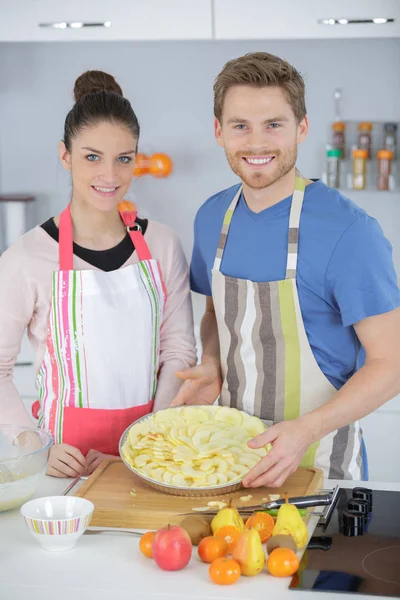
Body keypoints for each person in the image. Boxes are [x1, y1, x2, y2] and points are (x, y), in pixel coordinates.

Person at [172, 52, 400, 487]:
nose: (256, 143)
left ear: (302, 127)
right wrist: (212, 363)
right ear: (219, 132)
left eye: (273, 125)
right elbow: (213, 314)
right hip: (228, 463)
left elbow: (392, 363)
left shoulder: (350, 232)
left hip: (322, 468)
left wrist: (307, 430)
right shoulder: (210, 219)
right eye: (241, 126)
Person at [0, 70, 196, 477]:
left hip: (150, 460)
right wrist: (33, 446)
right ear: (65, 155)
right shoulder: (27, 257)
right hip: (61, 466)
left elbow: (178, 353)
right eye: (92, 157)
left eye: (123, 159)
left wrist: (146, 444)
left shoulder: (162, 245)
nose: (110, 176)